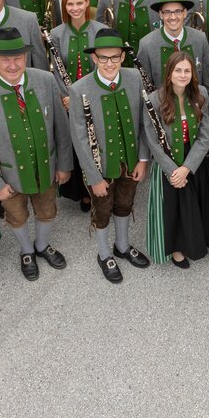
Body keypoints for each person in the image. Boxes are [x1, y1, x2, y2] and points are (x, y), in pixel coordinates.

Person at [0, 28, 73, 281]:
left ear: (25, 57)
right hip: (8, 175)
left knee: (47, 210)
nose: (12, 65)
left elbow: (61, 127)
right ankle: (26, 250)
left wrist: (64, 164)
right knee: (17, 215)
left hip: (46, 165)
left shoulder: (45, 80)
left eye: (17, 58)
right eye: (5, 59)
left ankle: (42, 245)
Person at [68, 30, 152, 284]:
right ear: (94, 57)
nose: (109, 63)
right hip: (100, 165)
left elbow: (144, 121)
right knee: (102, 208)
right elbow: (79, 138)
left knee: (125, 202)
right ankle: (105, 254)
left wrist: (143, 159)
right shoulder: (79, 88)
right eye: (103, 58)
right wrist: (93, 177)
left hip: (130, 159)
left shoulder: (134, 77)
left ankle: (123, 246)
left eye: (115, 57)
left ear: (122, 57)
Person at [143, 52, 209, 267]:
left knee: (194, 204)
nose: (182, 75)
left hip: (193, 160)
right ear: (169, 73)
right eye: (178, 70)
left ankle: (195, 241)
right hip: (168, 162)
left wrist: (187, 168)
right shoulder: (155, 98)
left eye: (187, 70)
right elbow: (152, 140)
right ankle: (175, 248)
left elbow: (205, 135)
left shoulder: (201, 94)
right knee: (174, 208)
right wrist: (174, 170)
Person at [48, 0, 106, 212]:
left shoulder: (100, 30)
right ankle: (81, 192)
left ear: (87, 3)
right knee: (75, 145)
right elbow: (56, 70)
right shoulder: (56, 34)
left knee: (95, 144)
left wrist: (87, 96)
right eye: (70, 4)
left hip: (95, 98)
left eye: (79, 3)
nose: (75, 8)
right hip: (68, 101)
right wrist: (68, 97)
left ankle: (97, 186)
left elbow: (104, 68)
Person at [136, 0, 209, 100]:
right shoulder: (146, 44)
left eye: (177, 11)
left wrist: (208, 114)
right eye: (167, 12)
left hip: (196, 110)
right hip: (163, 111)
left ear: (185, 13)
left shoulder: (200, 39)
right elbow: (143, 88)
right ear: (160, 14)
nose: (173, 17)